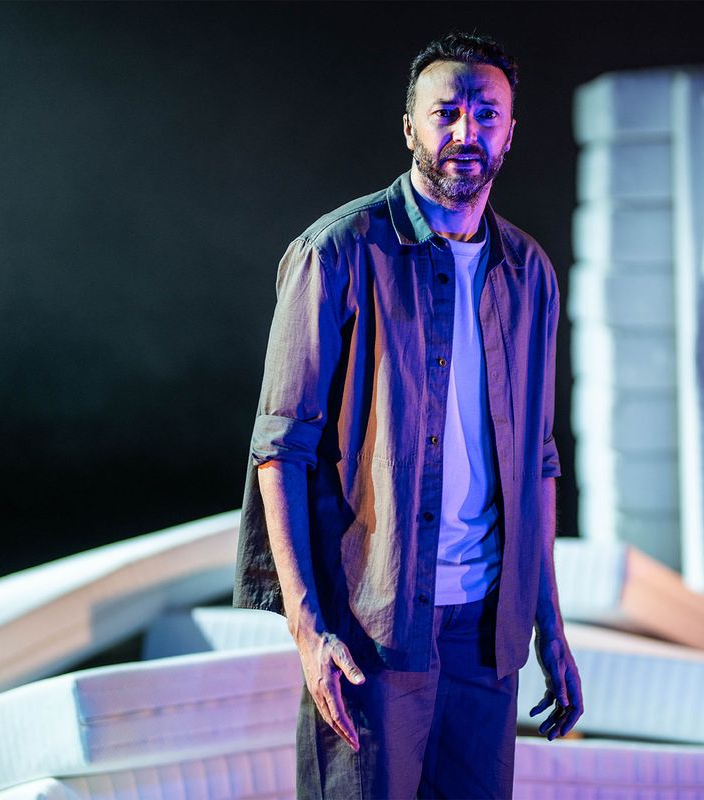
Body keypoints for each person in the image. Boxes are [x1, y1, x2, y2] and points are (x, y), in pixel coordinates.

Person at [233, 31, 583, 800]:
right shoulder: (338, 253)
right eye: (445, 112)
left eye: (486, 115)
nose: (466, 131)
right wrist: (307, 628)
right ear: (409, 127)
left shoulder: (528, 273)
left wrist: (549, 628)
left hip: (487, 638)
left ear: (511, 132)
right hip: (373, 629)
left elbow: (539, 460)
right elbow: (279, 448)